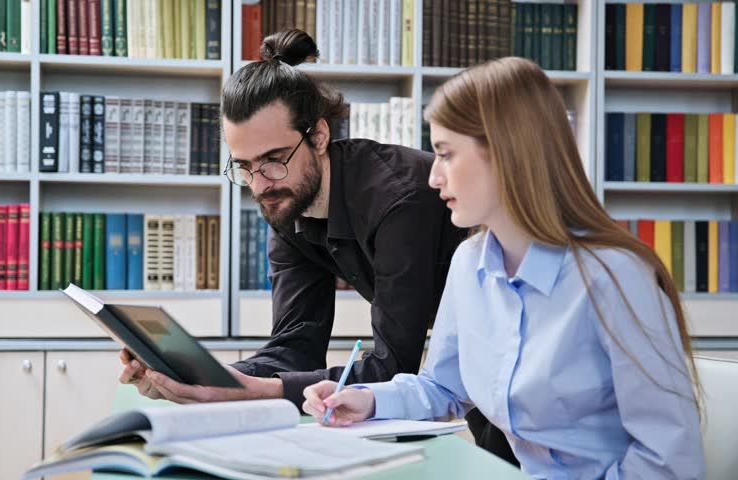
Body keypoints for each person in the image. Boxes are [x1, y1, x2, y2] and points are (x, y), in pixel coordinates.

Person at [117, 29, 520, 464]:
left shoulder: (398, 199)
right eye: (245, 167)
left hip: (506, 346)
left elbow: (392, 364)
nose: (259, 184)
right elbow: (295, 344)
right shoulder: (287, 200)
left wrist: (250, 391)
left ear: (320, 136)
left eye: (273, 159)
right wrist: (207, 377)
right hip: (458, 370)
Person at [302, 57, 707, 479]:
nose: (433, 177)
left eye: (445, 154)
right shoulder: (470, 261)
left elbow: (670, 463)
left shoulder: (616, 279)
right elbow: (443, 386)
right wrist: (367, 399)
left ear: (506, 153)